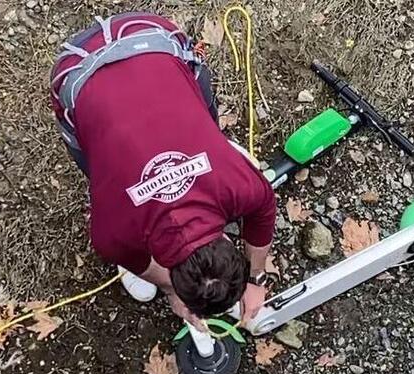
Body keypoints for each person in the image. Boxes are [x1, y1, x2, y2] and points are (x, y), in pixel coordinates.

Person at [50, 13, 276, 330]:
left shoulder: (240, 186)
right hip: (85, 65)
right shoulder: (114, 235)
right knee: (99, 167)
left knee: (112, 162)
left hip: (148, 37)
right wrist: (173, 291)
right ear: (226, 236)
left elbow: (263, 212)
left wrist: (255, 279)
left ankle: (208, 143)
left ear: (227, 239)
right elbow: (262, 216)